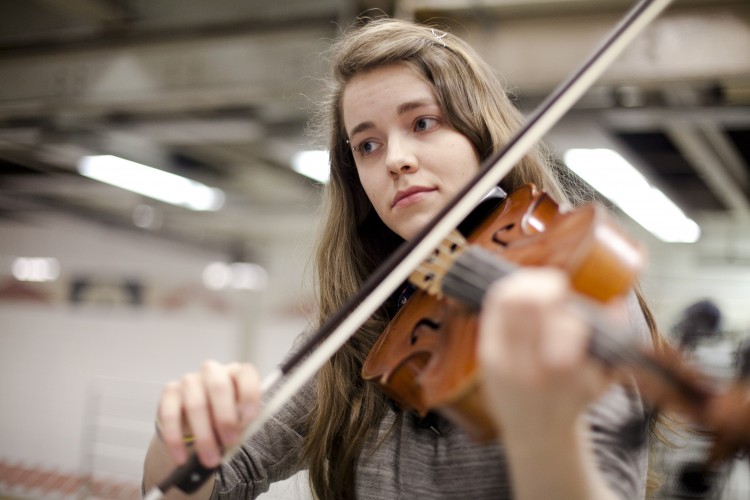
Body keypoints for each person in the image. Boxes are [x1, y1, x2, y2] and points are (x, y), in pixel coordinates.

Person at [142, 17, 663, 500]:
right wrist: (181, 432)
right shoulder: (373, 327)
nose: (395, 160)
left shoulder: (569, 281)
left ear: (480, 132)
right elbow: (212, 484)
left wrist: (543, 425)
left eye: (423, 123)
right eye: (367, 145)